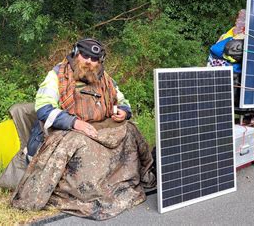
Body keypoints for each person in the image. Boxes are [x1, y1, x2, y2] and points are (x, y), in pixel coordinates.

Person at [11, 38, 156, 220]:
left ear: (100, 62)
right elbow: (43, 109)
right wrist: (74, 123)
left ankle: (121, 180)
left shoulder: (105, 79)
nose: (89, 61)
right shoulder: (57, 75)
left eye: (94, 58)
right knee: (81, 144)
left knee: (130, 131)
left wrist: (123, 112)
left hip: (97, 127)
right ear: (75, 54)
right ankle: (88, 191)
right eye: (85, 55)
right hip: (62, 131)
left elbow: (123, 102)